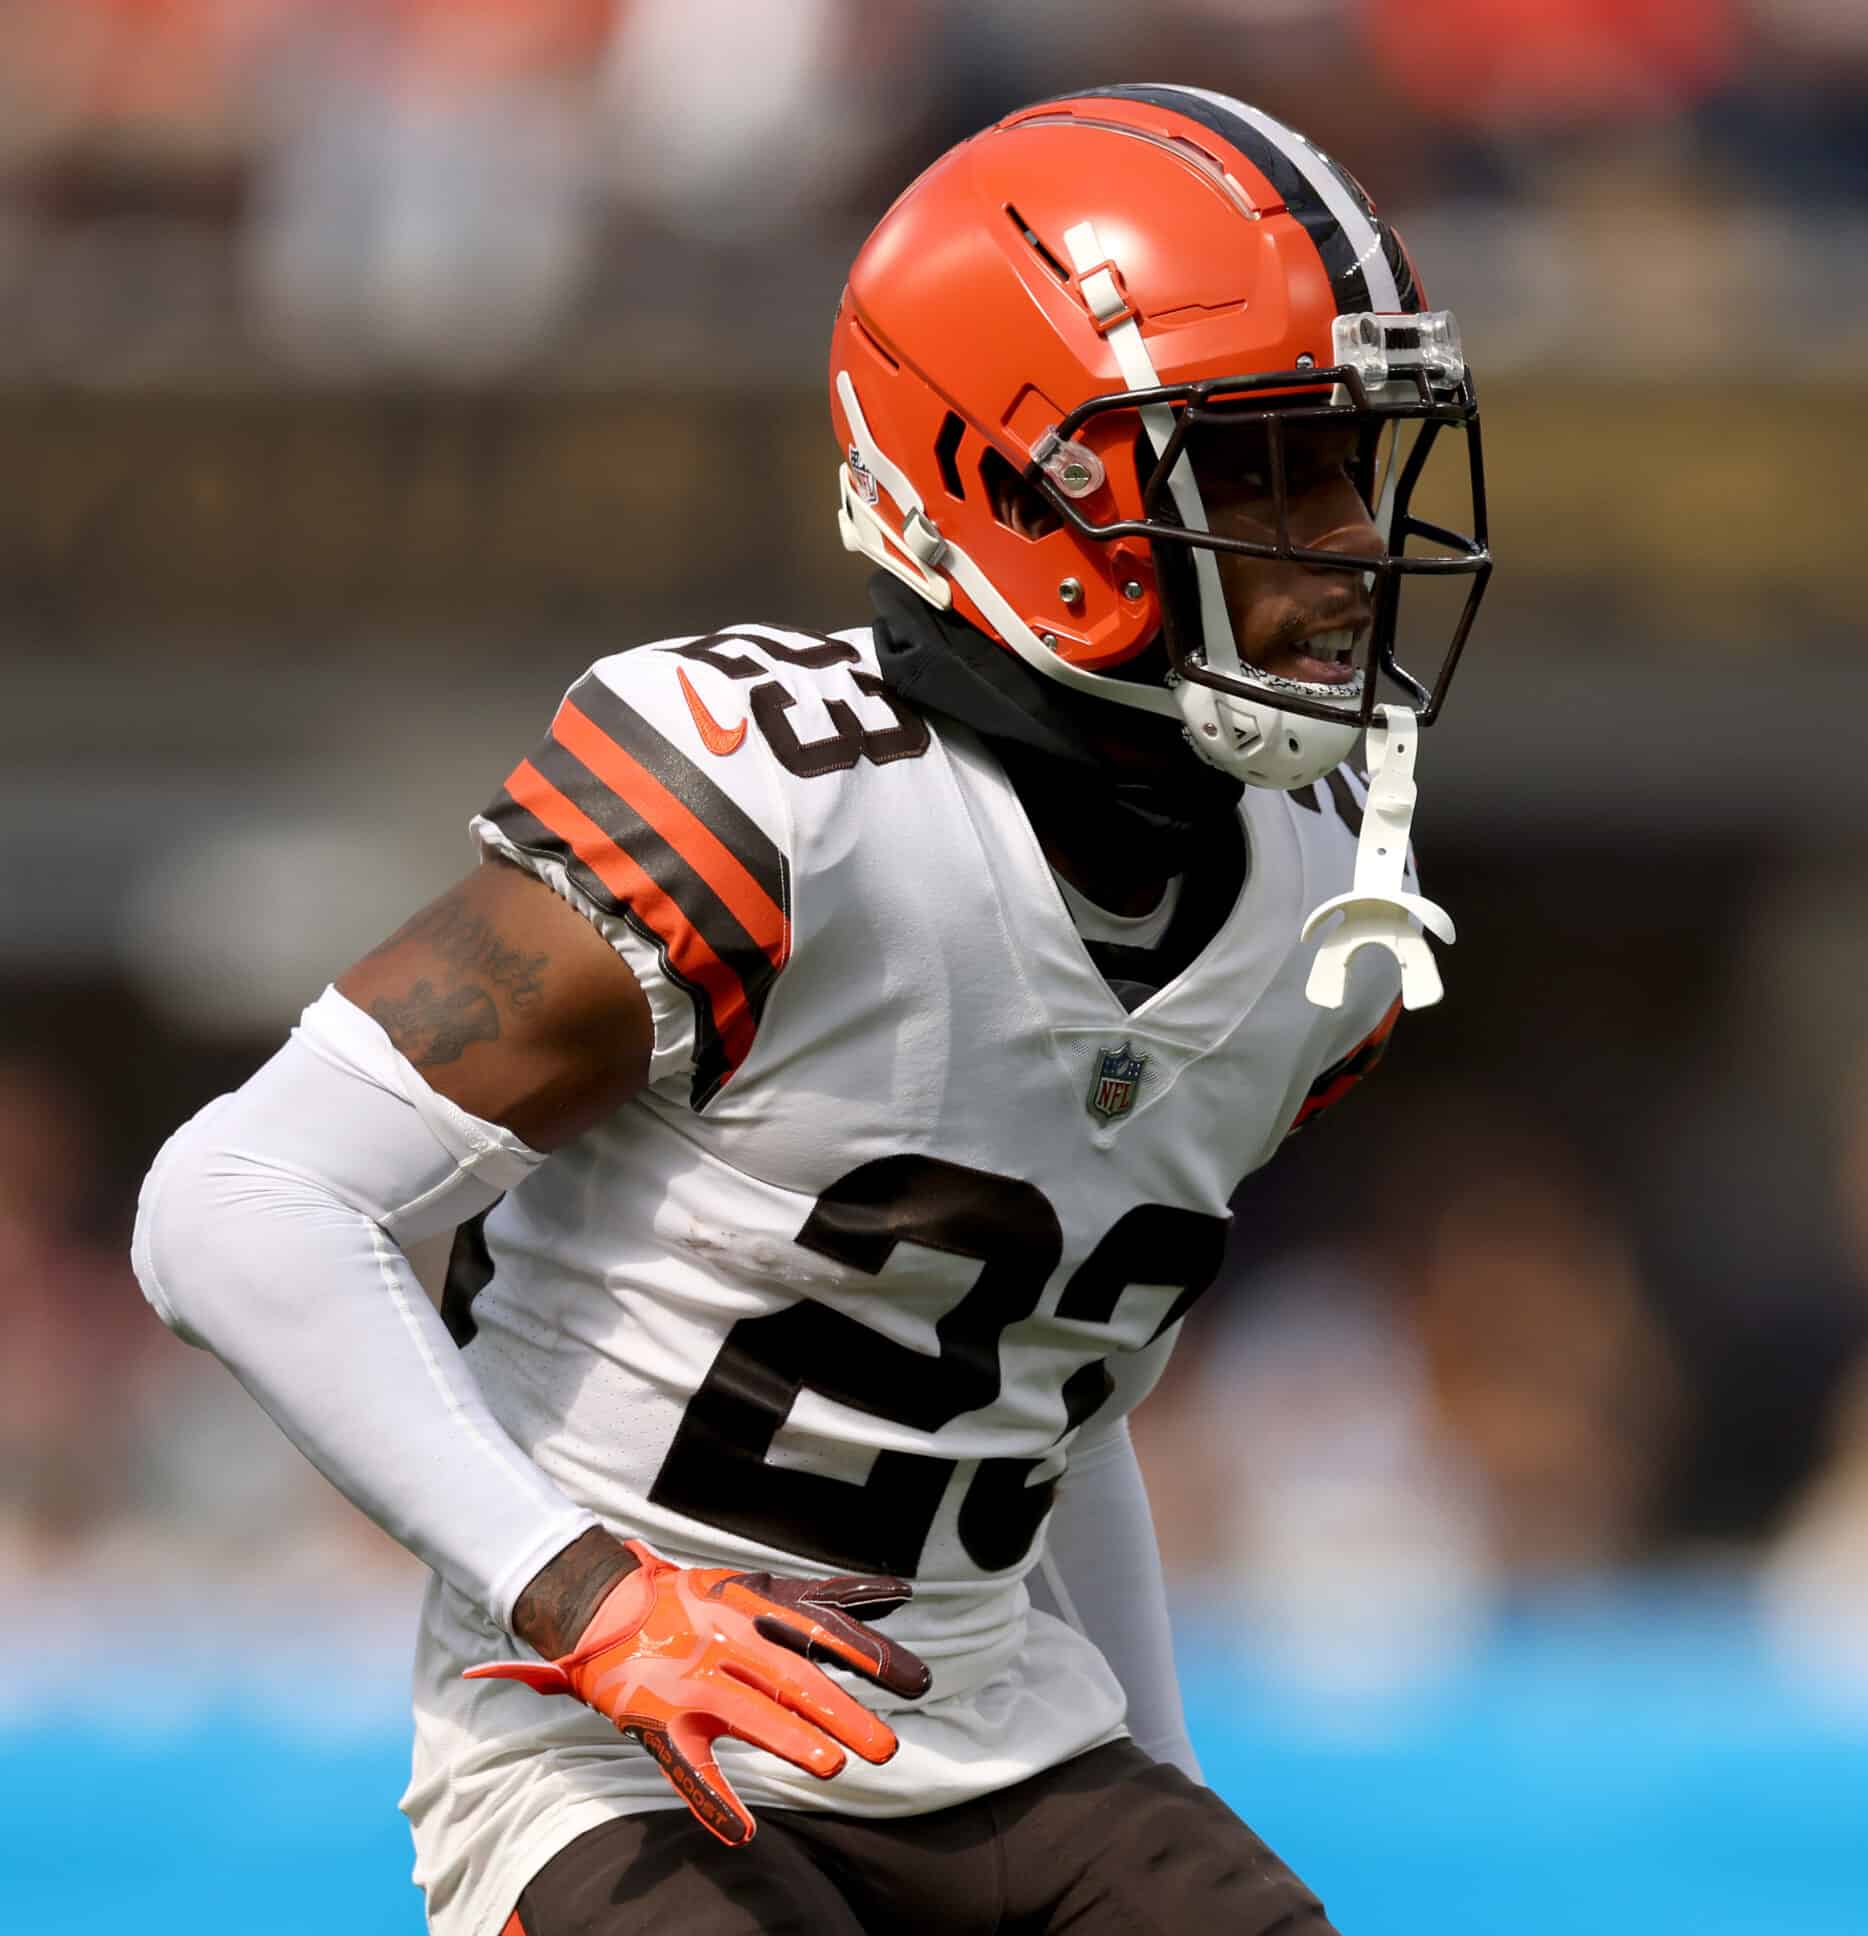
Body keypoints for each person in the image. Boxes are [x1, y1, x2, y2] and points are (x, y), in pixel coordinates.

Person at [131, 85, 1490, 1936]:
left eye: (1347, 459)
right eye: (1254, 469)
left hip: (996, 1735)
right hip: (624, 1751)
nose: (1340, 540)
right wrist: (579, 1588)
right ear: (1019, 488)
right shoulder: (777, 809)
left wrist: (1167, 1809)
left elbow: (1036, 1416)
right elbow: (236, 1202)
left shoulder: (1309, 893)